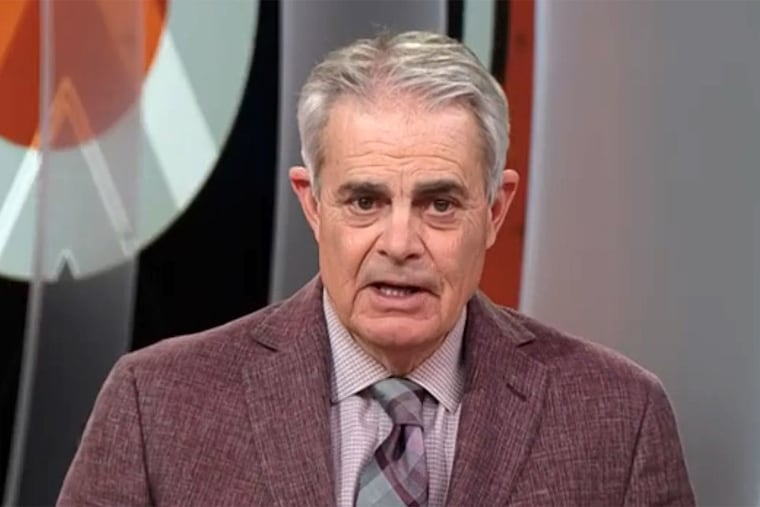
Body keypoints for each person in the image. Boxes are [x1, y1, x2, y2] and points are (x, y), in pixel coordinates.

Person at [57, 31, 695, 506]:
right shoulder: (156, 405)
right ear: (313, 204)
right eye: (365, 201)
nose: (400, 243)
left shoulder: (617, 416)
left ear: (495, 211)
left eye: (439, 204)